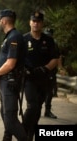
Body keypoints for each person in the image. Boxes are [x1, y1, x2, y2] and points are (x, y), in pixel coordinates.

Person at [0, 9, 27, 141]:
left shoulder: (14, 37)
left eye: (0, 20)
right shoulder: (10, 37)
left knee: (10, 119)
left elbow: (11, 63)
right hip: (5, 82)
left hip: (10, 82)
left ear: (4, 20)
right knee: (4, 113)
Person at [22, 11, 59, 141]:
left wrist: (45, 68)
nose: (35, 24)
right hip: (29, 79)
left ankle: (31, 132)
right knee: (32, 106)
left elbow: (55, 59)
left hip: (44, 79)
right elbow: (17, 58)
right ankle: (23, 131)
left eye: (38, 22)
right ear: (30, 22)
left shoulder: (48, 40)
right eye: (33, 21)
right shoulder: (24, 39)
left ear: (42, 23)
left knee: (38, 108)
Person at [43, 28, 58, 118]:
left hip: (50, 71)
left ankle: (47, 110)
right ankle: (35, 109)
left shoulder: (54, 44)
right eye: (46, 34)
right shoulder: (40, 42)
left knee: (49, 92)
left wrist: (60, 68)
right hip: (40, 71)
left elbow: (57, 57)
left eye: (49, 35)